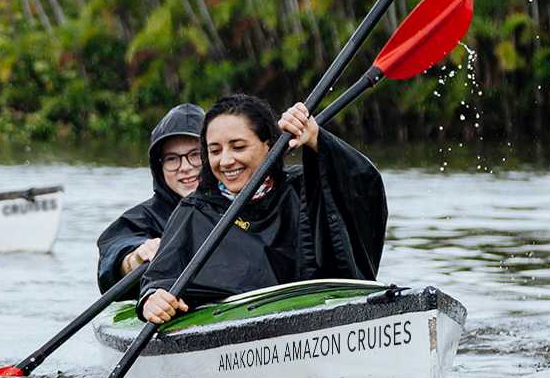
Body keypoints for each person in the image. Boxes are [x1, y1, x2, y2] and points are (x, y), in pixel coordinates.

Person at [137, 94, 387, 324]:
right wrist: (151, 299)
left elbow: (364, 190)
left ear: (269, 144)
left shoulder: (305, 190)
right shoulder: (193, 211)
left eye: (238, 147)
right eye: (215, 151)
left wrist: (318, 139)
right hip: (231, 327)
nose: (225, 161)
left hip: (316, 317)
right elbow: (160, 278)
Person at [96, 103, 205, 298]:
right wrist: (136, 257)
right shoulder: (143, 217)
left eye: (195, 155)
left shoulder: (242, 201)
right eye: (172, 159)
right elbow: (116, 249)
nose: (185, 167)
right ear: (159, 167)